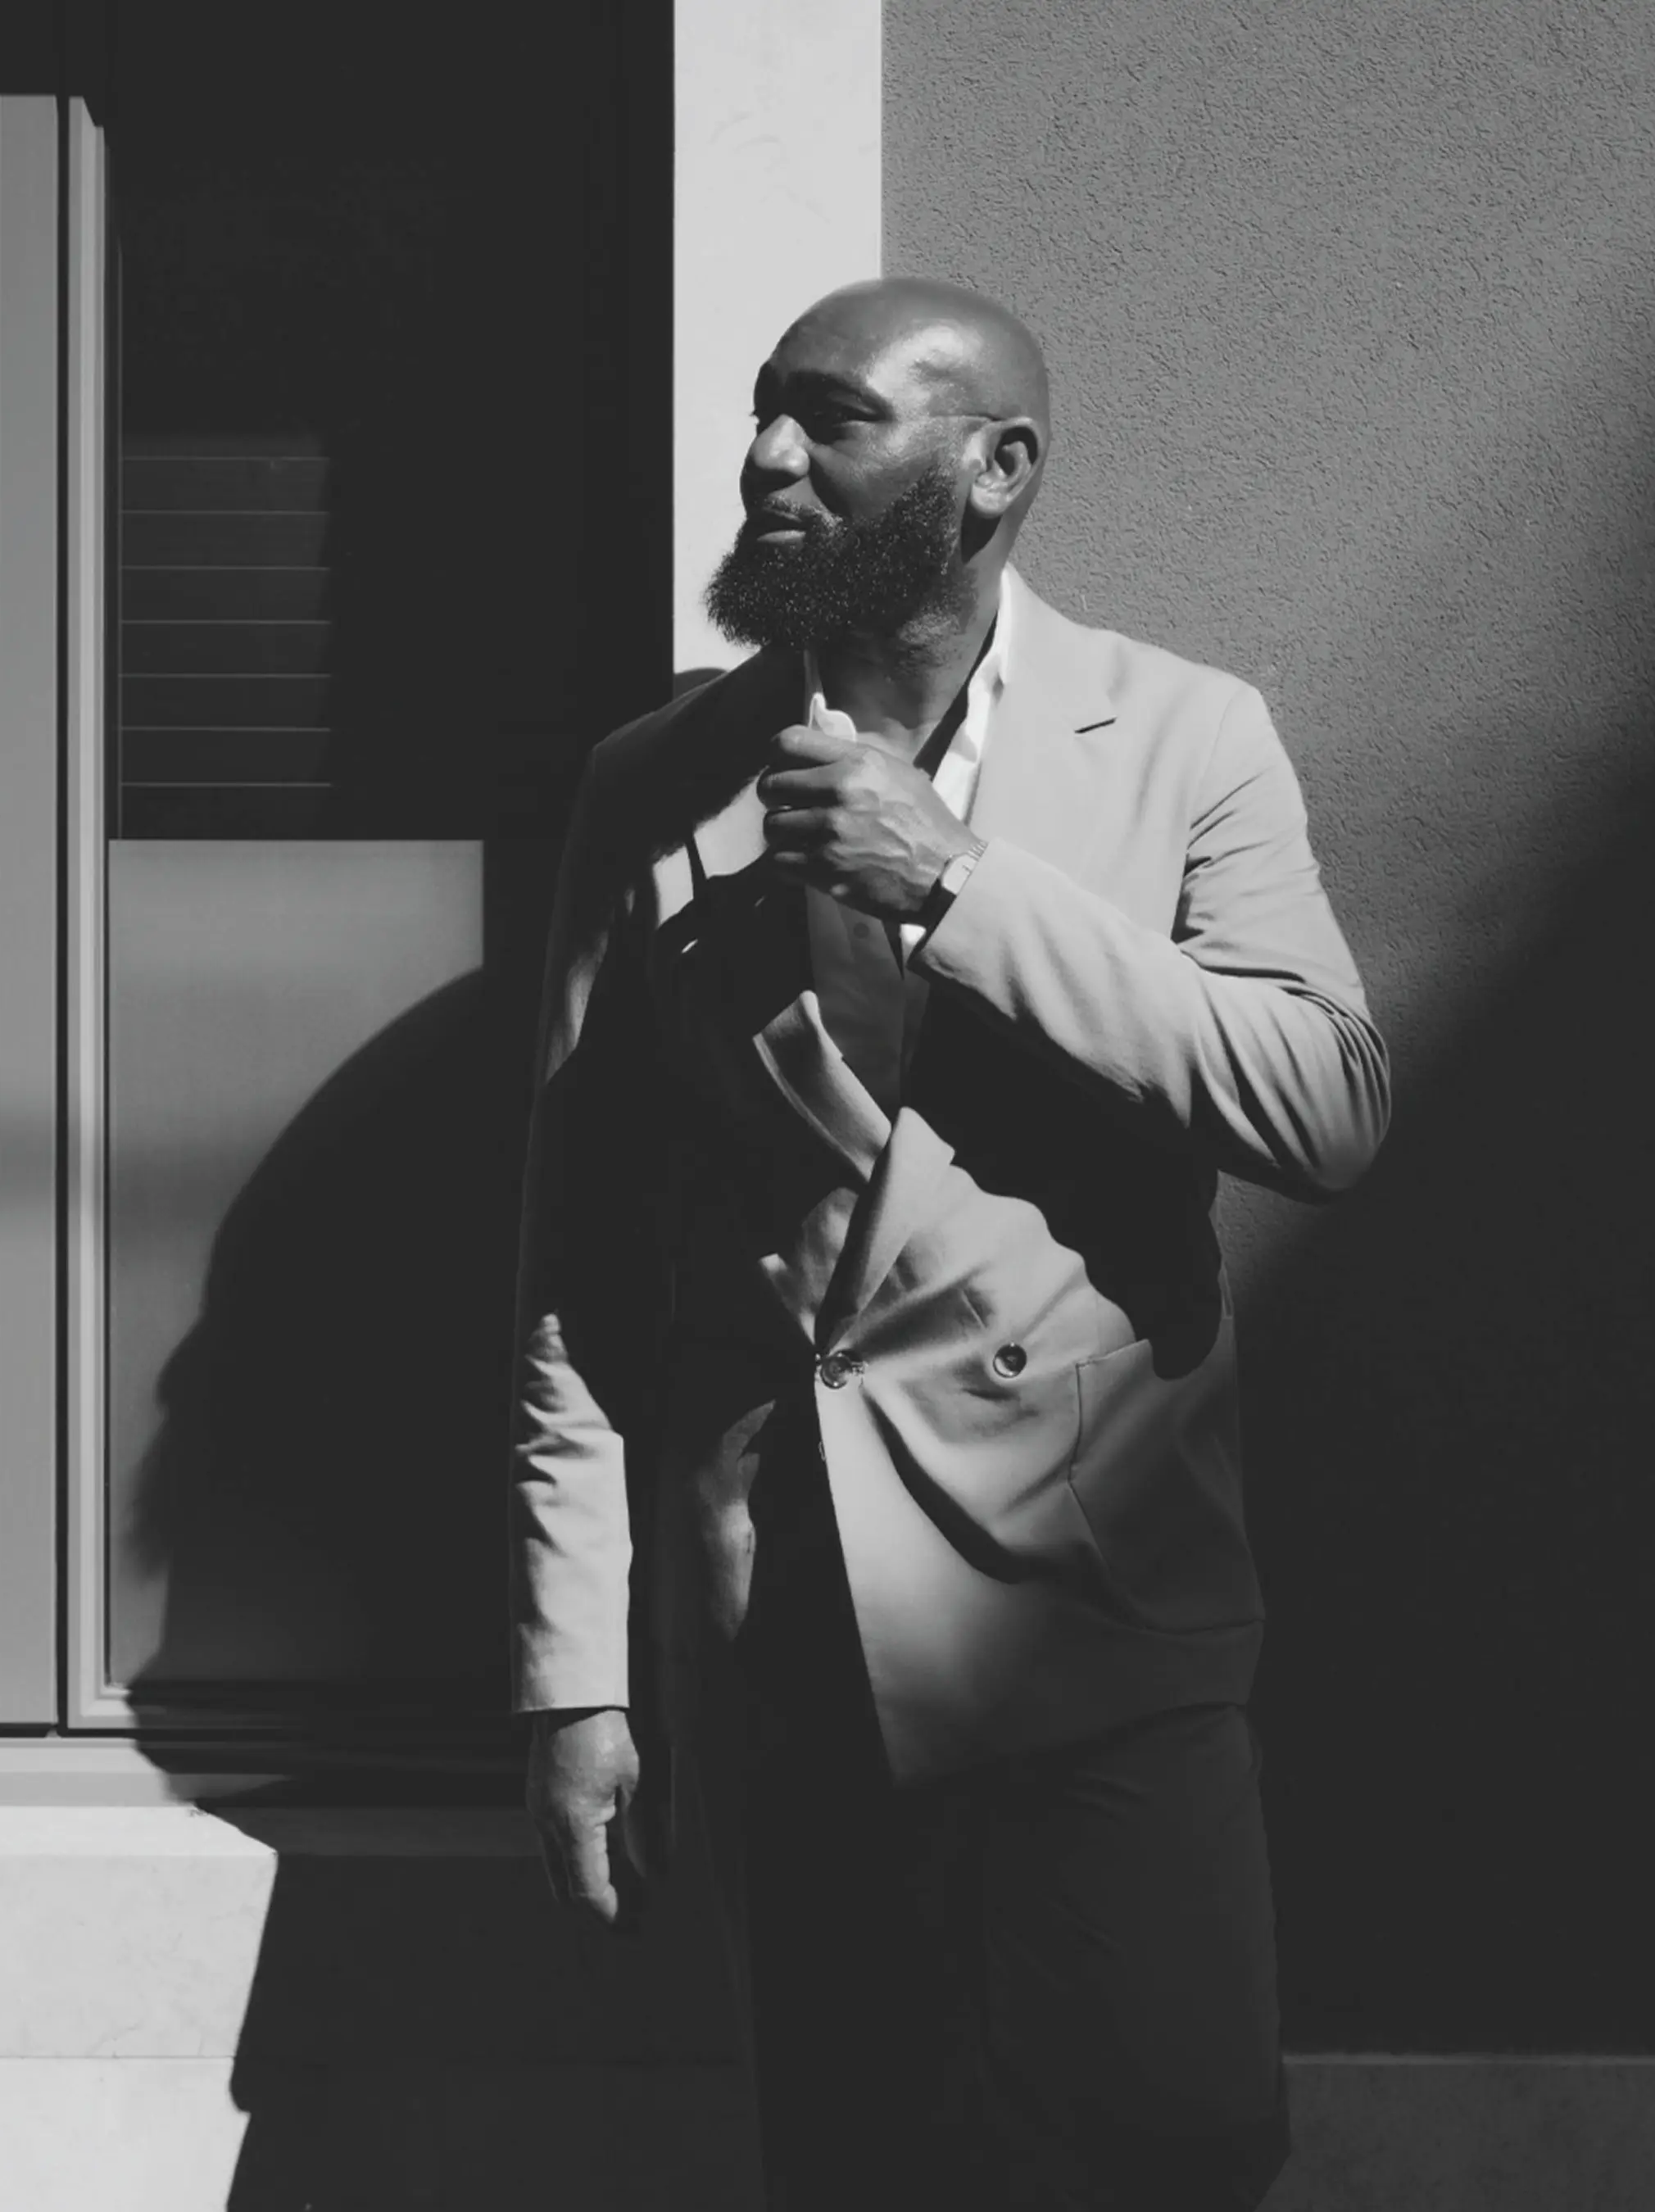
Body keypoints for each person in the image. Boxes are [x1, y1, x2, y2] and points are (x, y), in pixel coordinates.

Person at [510, 275, 1392, 2208]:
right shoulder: (655, 781)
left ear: (995, 470)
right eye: (766, 410)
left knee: (1175, 2144)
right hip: (785, 1617)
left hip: (1093, 1599)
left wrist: (960, 883)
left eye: (832, 418)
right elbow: (578, 1268)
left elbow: (1323, 1104)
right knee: (859, 2158)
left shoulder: (1182, 736)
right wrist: (578, 1671)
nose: (767, 458)